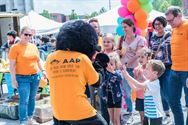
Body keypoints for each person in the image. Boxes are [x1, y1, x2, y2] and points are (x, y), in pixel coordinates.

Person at [45, 20, 107, 125]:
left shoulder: (50, 58)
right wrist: (100, 68)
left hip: (58, 112)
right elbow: (96, 82)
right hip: (80, 111)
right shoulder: (82, 58)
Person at [8, 26, 46, 125]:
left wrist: (43, 71)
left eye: (30, 35)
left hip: (35, 77)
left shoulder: (33, 46)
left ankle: (30, 118)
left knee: (32, 98)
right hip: (22, 78)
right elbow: (11, 65)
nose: (28, 36)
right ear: (20, 34)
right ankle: (23, 120)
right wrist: (13, 80)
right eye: (26, 34)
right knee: (24, 100)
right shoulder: (14, 47)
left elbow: (38, 60)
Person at [117, 18, 145, 124]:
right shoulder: (121, 38)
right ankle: (130, 112)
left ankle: (141, 112)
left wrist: (127, 62)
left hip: (136, 68)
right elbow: (117, 51)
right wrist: (118, 53)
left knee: (139, 91)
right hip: (124, 68)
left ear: (132, 26)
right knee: (127, 92)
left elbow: (138, 54)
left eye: (125, 27)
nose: (124, 29)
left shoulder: (140, 39)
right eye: (123, 27)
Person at [122, 59, 165, 125]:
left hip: (155, 116)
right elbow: (135, 88)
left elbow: (139, 85)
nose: (145, 70)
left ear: (155, 73)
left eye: (148, 69)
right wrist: (126, 77)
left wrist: (128, 76)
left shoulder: (154, 83)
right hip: (148, 114)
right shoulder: (149, 81)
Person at [165, 6, 188, 125]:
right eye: (167, 21)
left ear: (179, 15)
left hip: (187, 72)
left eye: (170, 20)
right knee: (173, 101)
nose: (168, 24)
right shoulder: (173, 29)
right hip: (174, 71)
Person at [150, 16, 172, 124]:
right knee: (156, 91)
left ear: (164, 24)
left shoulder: (169, 35)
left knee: (165, 92)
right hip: (156, 68)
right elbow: (151, 52)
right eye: (155, 24)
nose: (157, 26)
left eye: (159, 24)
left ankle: (168, 114)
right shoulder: (153, 37)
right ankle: (162, 112)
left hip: (167, 67)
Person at [101, 33, 122, 125]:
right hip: (106, 92)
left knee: (117, 119)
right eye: (104, 41)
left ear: (113, 43)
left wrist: (113, 71)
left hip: (116, 93)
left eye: (108, 42)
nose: (106, 43)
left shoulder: (115, 55)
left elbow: (120, 75)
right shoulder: (100, 55)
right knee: (111, 119)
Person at [132, 48, 153, 125]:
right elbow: (135, 81)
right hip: (139, 96)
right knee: (142, 116)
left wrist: (142, 75)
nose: (140, 59)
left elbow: (150, 83)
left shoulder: (151, 69)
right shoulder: (136, 69)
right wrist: (137, 75)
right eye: (139, 57)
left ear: (148, 58)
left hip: (148, 97)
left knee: (149, 116)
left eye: (142, 57)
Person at [1, 30, 20, 98]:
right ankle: (11, 94)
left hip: (18, 63)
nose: (8, 38)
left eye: (9, 37)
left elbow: (15, 49)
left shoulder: (18, 41)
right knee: (9, 80)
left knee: (18, 81)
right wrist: (6, 49)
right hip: (10, 62)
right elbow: (2, 48)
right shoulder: (8, 42)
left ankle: (18, 94)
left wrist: (9, 49)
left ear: (12, 36)